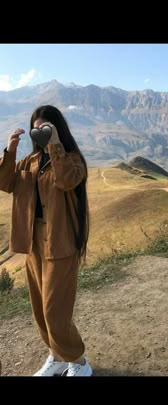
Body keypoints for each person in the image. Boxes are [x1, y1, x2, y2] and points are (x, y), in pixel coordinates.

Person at [0, 105, 92, 376]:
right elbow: (4, 183)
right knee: (40, 309)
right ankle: (57, 356)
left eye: (46, 129)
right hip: (32, 243)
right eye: (37, 129)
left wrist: (55, 146)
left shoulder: (72, 159)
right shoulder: (28, 162)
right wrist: (10, 150)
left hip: (61, 242)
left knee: (55, 312)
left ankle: (78, 362)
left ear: (57, 129)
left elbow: (66, 181)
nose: (40, 133)